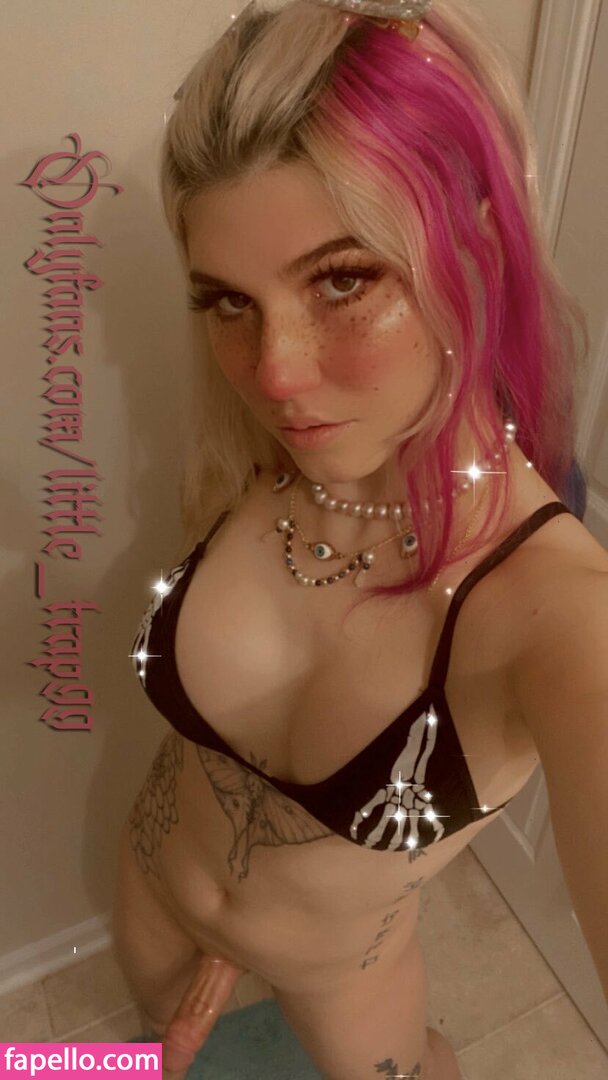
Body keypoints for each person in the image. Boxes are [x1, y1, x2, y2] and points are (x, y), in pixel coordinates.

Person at [111, 1, 608, 1077]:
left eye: (343, 280)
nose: (274, 374)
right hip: (151, 909)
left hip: (345, 997)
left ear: (480, 250)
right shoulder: (249, 460)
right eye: (227, 302)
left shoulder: (556, 615)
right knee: (104, 1067)